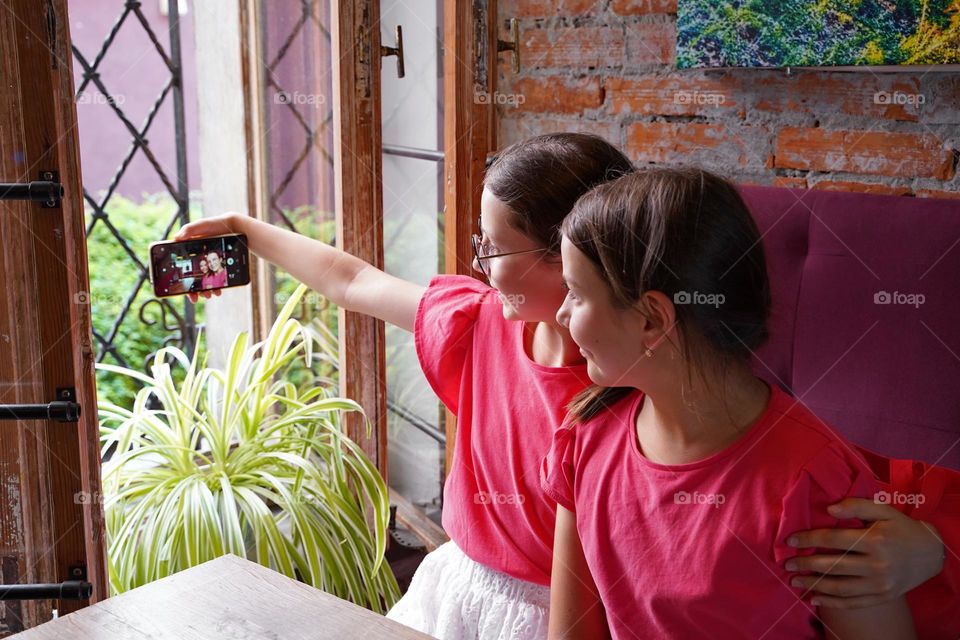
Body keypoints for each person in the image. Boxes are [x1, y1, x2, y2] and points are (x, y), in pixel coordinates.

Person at [175, 135, 942, 640]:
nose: (476, 263)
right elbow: (351, 278)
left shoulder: (640, 388)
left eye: (496, 247)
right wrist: (248, 233)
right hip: (456, 585)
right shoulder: (527, 363)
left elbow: (815, 494)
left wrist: (930, 547)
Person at [543, 167, 917, 639]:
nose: (560, 313)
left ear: (652, 319)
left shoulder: (812, 485)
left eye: (575, 294)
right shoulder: (584, 439)